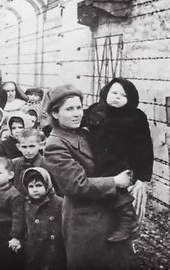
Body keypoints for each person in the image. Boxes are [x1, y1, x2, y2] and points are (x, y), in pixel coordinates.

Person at [43, 84, 135, 270]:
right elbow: (76, 185)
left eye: (79, 107)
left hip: (110, 212)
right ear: (55, 114)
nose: (77, 113)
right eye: (69, 109)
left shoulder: (84, 132)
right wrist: (115, 181)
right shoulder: (56, 144)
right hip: (86, 220)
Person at [82, 78, 153, 242]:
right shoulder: (97, 109)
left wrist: (142, 176)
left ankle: (128, 221)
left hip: (121, 161)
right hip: (96, 158)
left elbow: (144, 147)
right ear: (106, 92)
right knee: (98, 191)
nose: (117, 97)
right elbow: (80, 121)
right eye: (114, 92)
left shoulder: (136, 117)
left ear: (131, 99)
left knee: (116, 188)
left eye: (123, 95)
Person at [22, 167, 66, 270]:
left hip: (54, 251)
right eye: (31, 186)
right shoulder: (26, 204)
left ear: (47, 185)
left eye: (39, 185)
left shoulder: (59, 203)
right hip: (33, 251)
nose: (35, 190)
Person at [12, 129, 45, 196]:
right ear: (18, 147)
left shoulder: (48, 164)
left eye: (32, 146)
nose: (28, 151)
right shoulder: (14, 164)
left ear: (41, 145)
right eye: (24, 147)